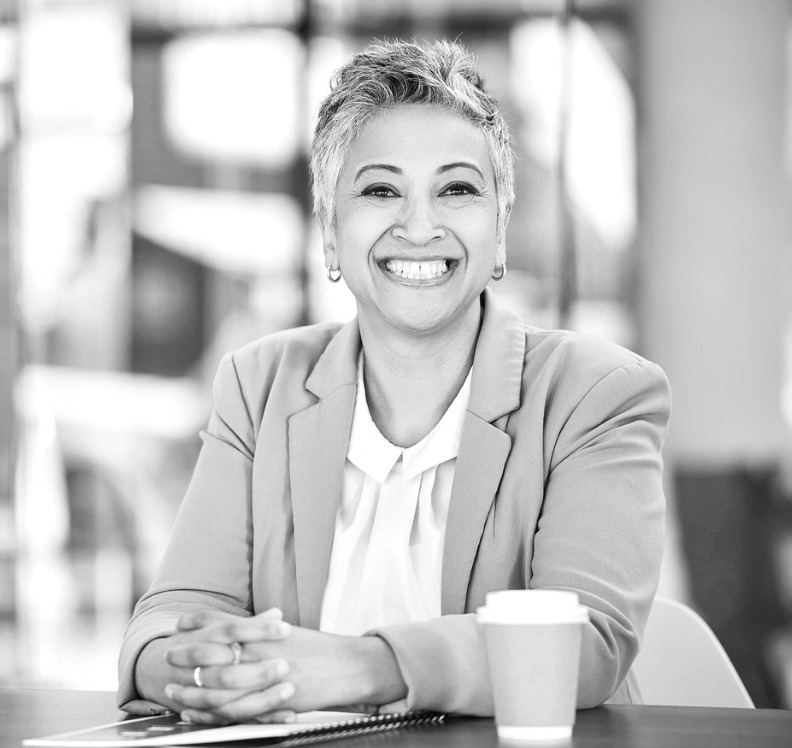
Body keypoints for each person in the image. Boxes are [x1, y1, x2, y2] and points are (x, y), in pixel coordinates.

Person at [117, 38, 671, 723]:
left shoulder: (598, 392)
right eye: (381, 190)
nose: (419, 225)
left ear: (499, 233)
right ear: (329, 232)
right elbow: (171, 615)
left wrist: (354, 666)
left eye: (457, 189)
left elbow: (585, 643)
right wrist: (189, 669)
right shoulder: (260, 382)